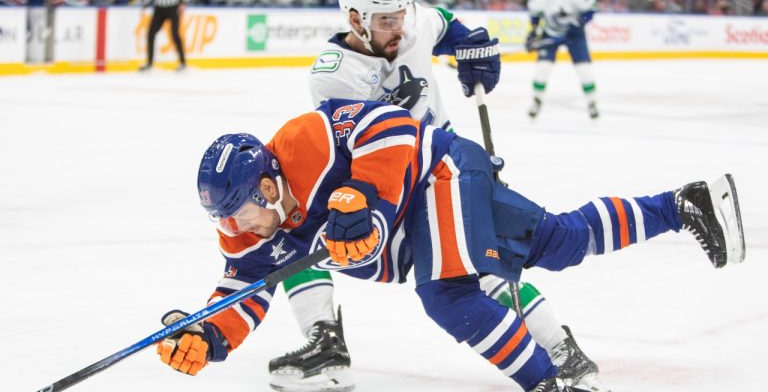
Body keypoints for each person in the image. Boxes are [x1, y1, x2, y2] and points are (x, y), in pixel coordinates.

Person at [155, 99, 745, 392]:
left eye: (243, 209)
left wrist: (368, 198)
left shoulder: (303, 143)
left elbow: (392, 125)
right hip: (424, 214)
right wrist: (208, 332)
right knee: (560, 241)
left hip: (438, 173)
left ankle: (545, 384)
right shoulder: (244, 226)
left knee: (449, 294)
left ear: (266, 182)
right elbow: (246, 286)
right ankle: (684, 204)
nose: (241, 225)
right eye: (228, 218)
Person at [271, 0, 606, 392]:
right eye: (387, 19)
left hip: (444, 172)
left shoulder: (411, 23)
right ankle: (326, 342)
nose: (400, 26)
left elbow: (444, 24)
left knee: (483, 264)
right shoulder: (334, 74)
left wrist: (469, 46)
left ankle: (560, 349)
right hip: (394, 184)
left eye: (401, 13)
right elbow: (365, 152)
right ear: (355, 18)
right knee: (293, 234)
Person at [525, 0, 598, 119]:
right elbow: (535, 14)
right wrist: (533, 32)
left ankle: (592, 103)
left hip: (575, 34)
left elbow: (591, 10)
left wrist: (578, 23)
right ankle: (536, 100)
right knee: (542, 68)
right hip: (550, 32)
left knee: (584, 69)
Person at [138, 0, 191, 72]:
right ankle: (149, 63)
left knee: (175, 35)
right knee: (151, 34)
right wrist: (146, 3)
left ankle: (182, 62)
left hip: (173, 7)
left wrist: (184, 2)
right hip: (159, 7)